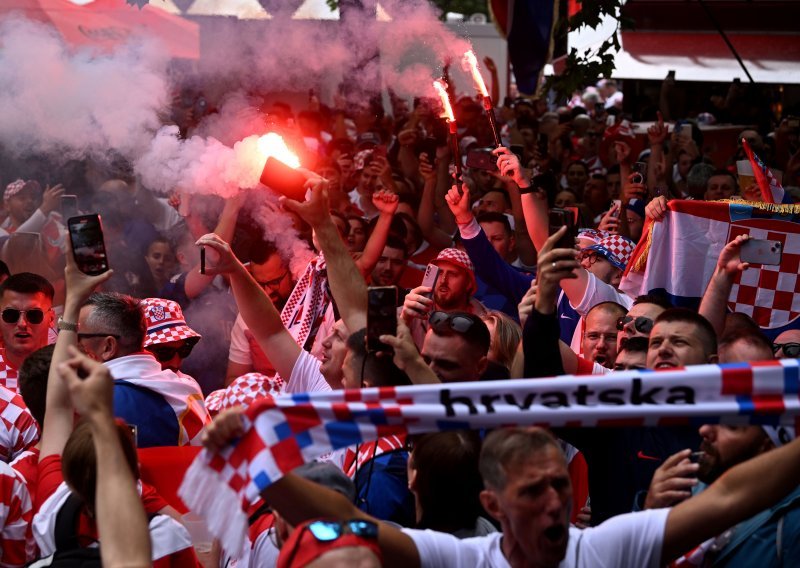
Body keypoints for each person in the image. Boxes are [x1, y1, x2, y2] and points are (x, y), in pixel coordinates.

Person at [203, 414, 800, 568]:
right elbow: (346, 520)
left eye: (559, 487)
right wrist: (263, 472)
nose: (554, 504)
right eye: (533, 491)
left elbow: (727, 499)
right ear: (491, 505)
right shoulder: (459, 558)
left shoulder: (609, 548)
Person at [401, 248, 487, 348]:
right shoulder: (411, 309)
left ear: (468, 283)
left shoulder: (486, 323)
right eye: (440, 272)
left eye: (452, 274)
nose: (443, 281)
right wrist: (404, 320)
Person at [140, 297, 202, 374]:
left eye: (184, 350)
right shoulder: (126, 384)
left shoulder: (187, 383)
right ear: (139, 351)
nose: (175, 364)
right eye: (164, 353)